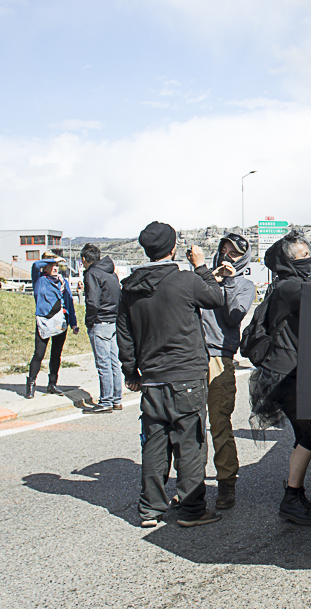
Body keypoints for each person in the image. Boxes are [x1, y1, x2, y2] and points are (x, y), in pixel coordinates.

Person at [117, 221, 224, 528]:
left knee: (154, 443)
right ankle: (192, 509)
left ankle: (150, 508)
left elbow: (123, 334)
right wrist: (202, 267)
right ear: (173, 248)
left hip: (151, 376)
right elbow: (215, 298)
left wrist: (130, 370)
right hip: (185, 374)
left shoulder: (130, 287)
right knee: (189, 443)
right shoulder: (185, 280)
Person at [249, 230, 311, 525]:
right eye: (300, 256)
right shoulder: (289, 287)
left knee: (306, 434)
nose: (307, 260)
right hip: (284, 377)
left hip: (290, 374)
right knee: (310, 434)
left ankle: (295, 495)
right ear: (286, 262)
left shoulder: (292, 285)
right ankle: (291, 499)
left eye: (308, 254)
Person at [199, 232, 256, 510]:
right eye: (223, 250)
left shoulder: (245, 286)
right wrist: (210, 278)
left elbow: (235, 315)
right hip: (191, 357)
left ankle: (226, 483)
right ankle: (192, 484)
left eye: (233, 253)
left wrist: (230, 281)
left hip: (220, 358)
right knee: (190, 426)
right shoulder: (202, 280)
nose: (226, 256)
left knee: (219, 424)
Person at [26, 253, 78, 399]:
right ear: (45, 267)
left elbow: (69, 302)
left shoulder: (63, 282)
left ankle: (52, 384)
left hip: (60, 321)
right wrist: (54, 259)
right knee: (39, 354)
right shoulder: (39, 280)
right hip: (44, 321)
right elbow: (35, 265)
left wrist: (73, 323)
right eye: (51, 266)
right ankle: (31, 384)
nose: (55, 268)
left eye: (56, 266)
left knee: (56, 354)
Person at [80, 243, 123, 414]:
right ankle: (116, 399)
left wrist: (89, 321)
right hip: (113, 321)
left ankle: (105, 400)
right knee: (114, 362)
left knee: (103, 363)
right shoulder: (110, 273)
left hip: (100, 321)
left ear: (84, 259)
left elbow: (92, 301)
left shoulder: (92, 274)